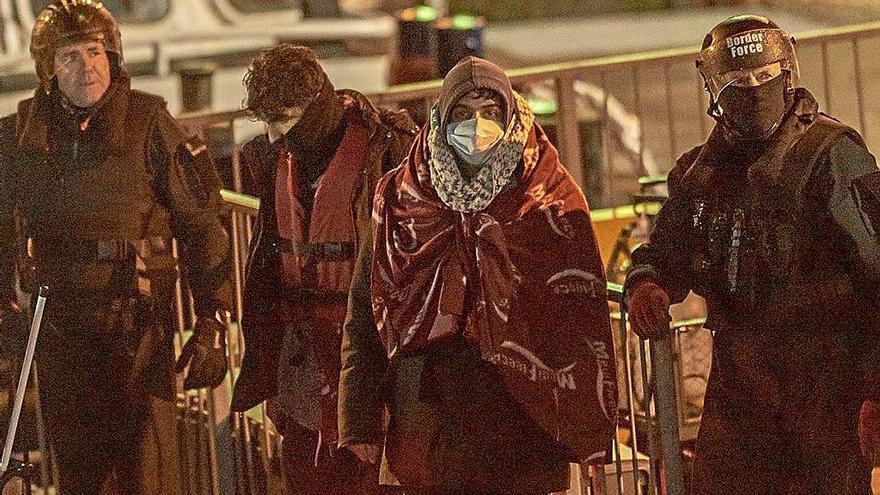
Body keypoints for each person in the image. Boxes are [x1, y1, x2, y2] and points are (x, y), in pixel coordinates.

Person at [338, 56, 618, 495]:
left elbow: (582, 319)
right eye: (464, 114)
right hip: (430, 419)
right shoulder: (400, 197)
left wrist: (584, 423)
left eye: (490, 112)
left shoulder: (548, 199)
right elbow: (366, 311)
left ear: (510, 115)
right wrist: (358, 420)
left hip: (525, 418)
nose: (477, 125)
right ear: (442, 118)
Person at [624, 15, 880, 494]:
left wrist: (875, 390)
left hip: (826, 390)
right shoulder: (702, 173)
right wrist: (645, 284)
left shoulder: (832, 156)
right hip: (741, 395)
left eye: (766, 76)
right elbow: (665, 253)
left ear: (788, 73)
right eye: (739, 81)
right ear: (714, 89)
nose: (755, 90)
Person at [0, 1, 231, 493]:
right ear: (48, 69)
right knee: (81, 478)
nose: (87, 66)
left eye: (95, 51)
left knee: (146, 475)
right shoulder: (22, 135)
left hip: (137, 327)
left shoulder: (149, 123)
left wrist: (213, 318)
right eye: (70, 56)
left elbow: (201, 223)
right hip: (60, 329)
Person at [229, 44, 417, 494]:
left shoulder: (387, 151)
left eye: (282, 121)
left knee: (370, 478)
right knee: (307, 477)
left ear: (313, 109)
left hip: (371, 357)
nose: (274, 136)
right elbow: (268, 259)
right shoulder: (281, 160)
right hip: (301, 361)